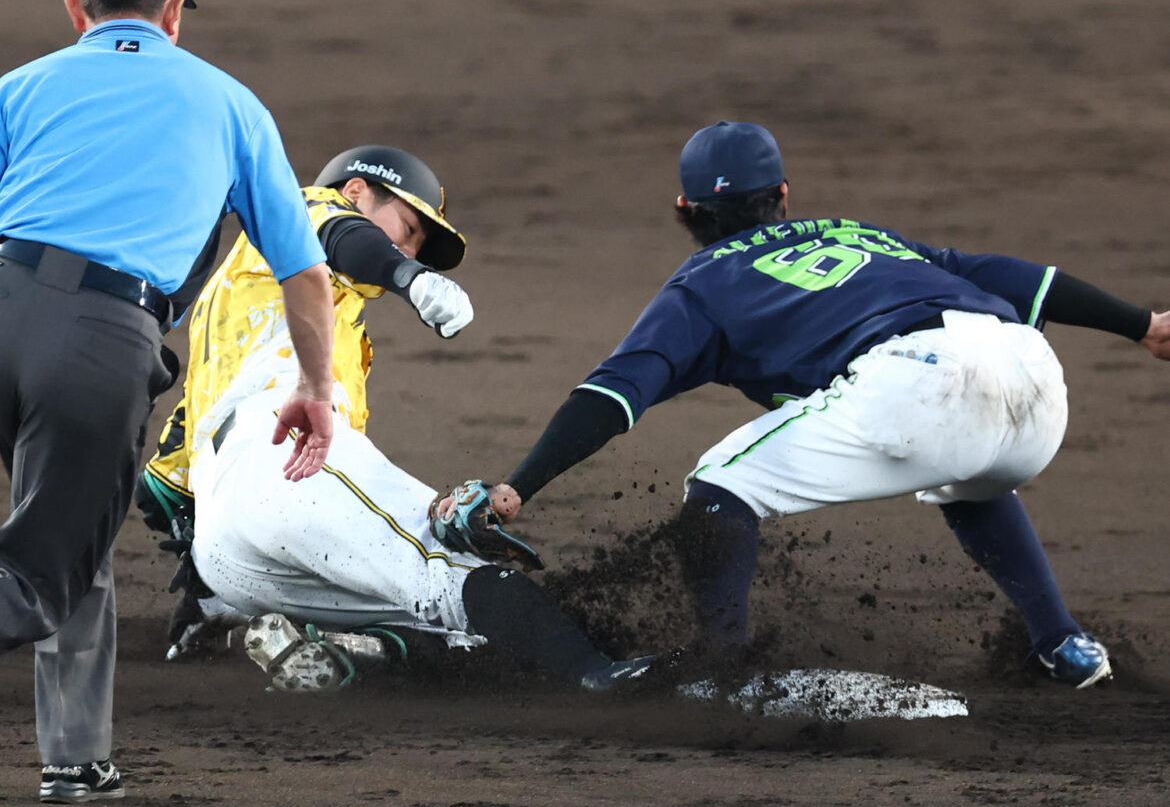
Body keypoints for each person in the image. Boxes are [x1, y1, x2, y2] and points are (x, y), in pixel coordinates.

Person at [452, 120, 1170, 690]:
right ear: (784, 195)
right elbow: (1014, 276)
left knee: (720, 483)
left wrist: (523, 483)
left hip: (920, 384)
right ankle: (1065, 645)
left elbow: (611, 395)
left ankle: (720, 665)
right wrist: (1142, 325)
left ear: (686, 211)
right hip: (1034, 376)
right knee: (969, 474)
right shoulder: (864, 235)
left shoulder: (702, 282)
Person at [0, 0, 339, 804]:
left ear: (77, 8)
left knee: (76, 533)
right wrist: (316, 387)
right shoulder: (230, 104)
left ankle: (75, 757)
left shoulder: (19, 88)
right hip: (99, 340)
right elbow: (302, 271)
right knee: (40, 576)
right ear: (175, 14)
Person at [135, 145, 656, 695]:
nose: (409, 247)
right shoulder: (300, 213)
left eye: (416, 248)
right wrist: (408, 276)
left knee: (448, 626)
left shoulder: (258, 310)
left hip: (233, 556)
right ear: (356, 191)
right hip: (282, 464)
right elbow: (339, 236)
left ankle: (353, 651)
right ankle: (600, 677)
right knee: (450, 566)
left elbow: (161, 486)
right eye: (407, 227)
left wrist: (202, 594)